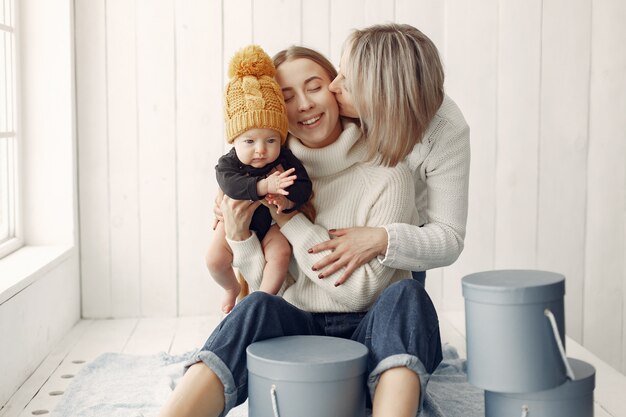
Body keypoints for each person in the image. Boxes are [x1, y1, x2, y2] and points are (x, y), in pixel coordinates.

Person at [158, 45, 442, 417]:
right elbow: (270, 284)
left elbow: (360, 291)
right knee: (257, 304)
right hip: (297, 331)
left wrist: (291, 221)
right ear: (276, 110)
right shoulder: (258, 175)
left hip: (374, 331)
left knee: (407, 295)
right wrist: (242, 239)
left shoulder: (387, 174)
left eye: (315, 87)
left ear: (338, 89)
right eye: (288, 97)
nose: (304, 104)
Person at [310, 23, 470, 287]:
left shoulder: (445, 130)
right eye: (339, 71)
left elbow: (449, 236)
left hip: (399, 251)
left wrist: (381, 240)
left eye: (347, 84)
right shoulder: (333, 105)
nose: (332, 87)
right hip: (323, 239)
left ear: (382, 98)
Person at [206, 45, 313, 314]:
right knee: (214, 259)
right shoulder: (229, 163)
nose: (261, 150)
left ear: (281, 138)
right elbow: (230, 185)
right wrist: (264, 186)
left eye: (271, 140)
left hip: (271, 225)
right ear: (234, 140)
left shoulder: (284, 160)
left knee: (280, 255)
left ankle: (262, 300)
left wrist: (287, 201)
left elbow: (304, 186)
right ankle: (231, 288)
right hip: (234, 223)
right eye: (250, 141)